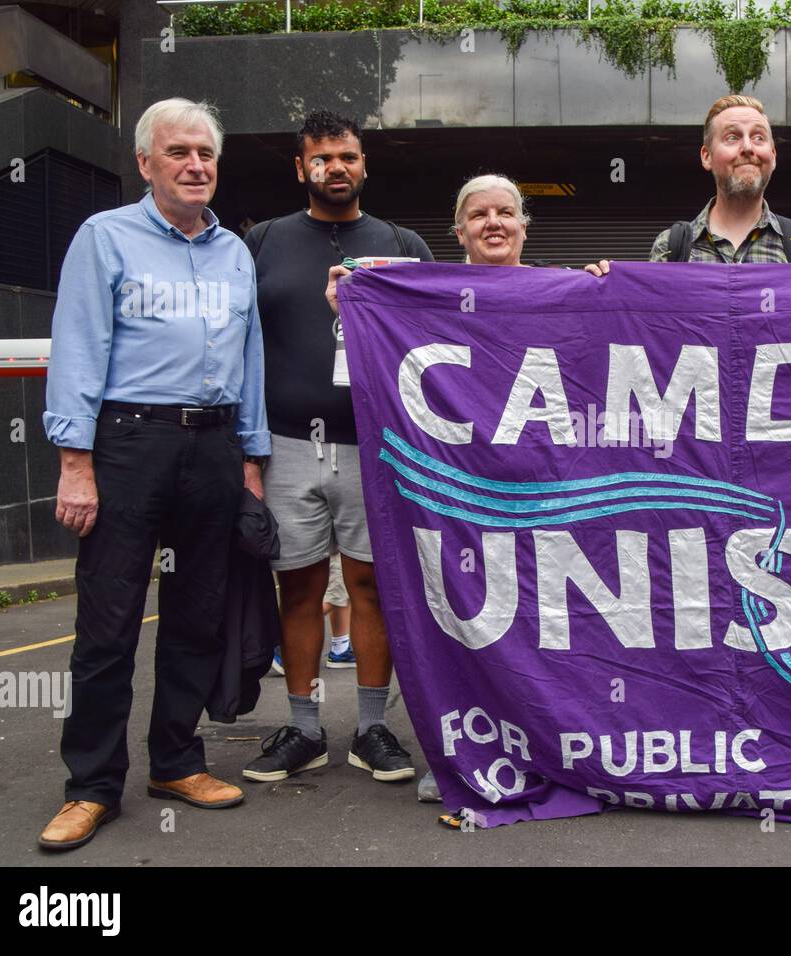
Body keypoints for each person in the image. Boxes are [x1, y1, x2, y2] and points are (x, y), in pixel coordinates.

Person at [37, 98, 270, 851]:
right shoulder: (104, 238)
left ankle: (175, 761)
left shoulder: (235, 251)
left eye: (205, 152)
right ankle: (92, 786)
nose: (196, 165)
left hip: (213, 447)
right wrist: (76, 463)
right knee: (107, 624)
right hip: (127, 442)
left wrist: (251, 462)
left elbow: (250, 360)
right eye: (178, 152)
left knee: (198, 617)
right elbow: (77, 346)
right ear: (145, 163)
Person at [325, 173, 531, 803]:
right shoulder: (425, 297)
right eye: (478, 214)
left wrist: (610, 279)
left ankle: (548, 746)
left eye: (505, 213)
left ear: (524, 226)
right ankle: (465, 753)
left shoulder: (564, 288)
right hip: (458, 496)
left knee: (541, 628)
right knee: (463, 622)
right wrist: (354, 310)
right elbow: (363, 372)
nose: (492, 223)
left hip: (540, 495)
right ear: (459, 229)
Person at [241, 110, 432, 786]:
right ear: (301, 168)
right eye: (322, 158)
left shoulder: (402, 243)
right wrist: (246, 452)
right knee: (297, 588)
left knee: (371, 588)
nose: (336, 168)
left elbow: (438, 341)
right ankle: (303, 728)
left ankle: (374, 729)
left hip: (372, 445)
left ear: (364, 164)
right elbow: (238, 348)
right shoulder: (261, 242)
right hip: (286, 444)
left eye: (347, 156)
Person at [585, 94, 791, 277]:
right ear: (706, 156)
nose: (748, 147)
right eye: (732, 137)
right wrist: (603, 292)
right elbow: (652, 330)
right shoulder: (672, 247)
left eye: (758, 137)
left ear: (772, 156)